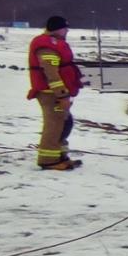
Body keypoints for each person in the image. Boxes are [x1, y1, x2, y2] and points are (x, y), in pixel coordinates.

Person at [26, 15, 82, 170]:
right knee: (54, 125)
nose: (67, 31)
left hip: (58, 93)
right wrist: (62, 94)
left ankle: (60, 156)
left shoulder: (56, 43)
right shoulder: (46, 46)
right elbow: (51, 74)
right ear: (57, 29)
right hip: (50, 93)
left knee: (65, 123)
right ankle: (48, 160)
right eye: (65, 28)